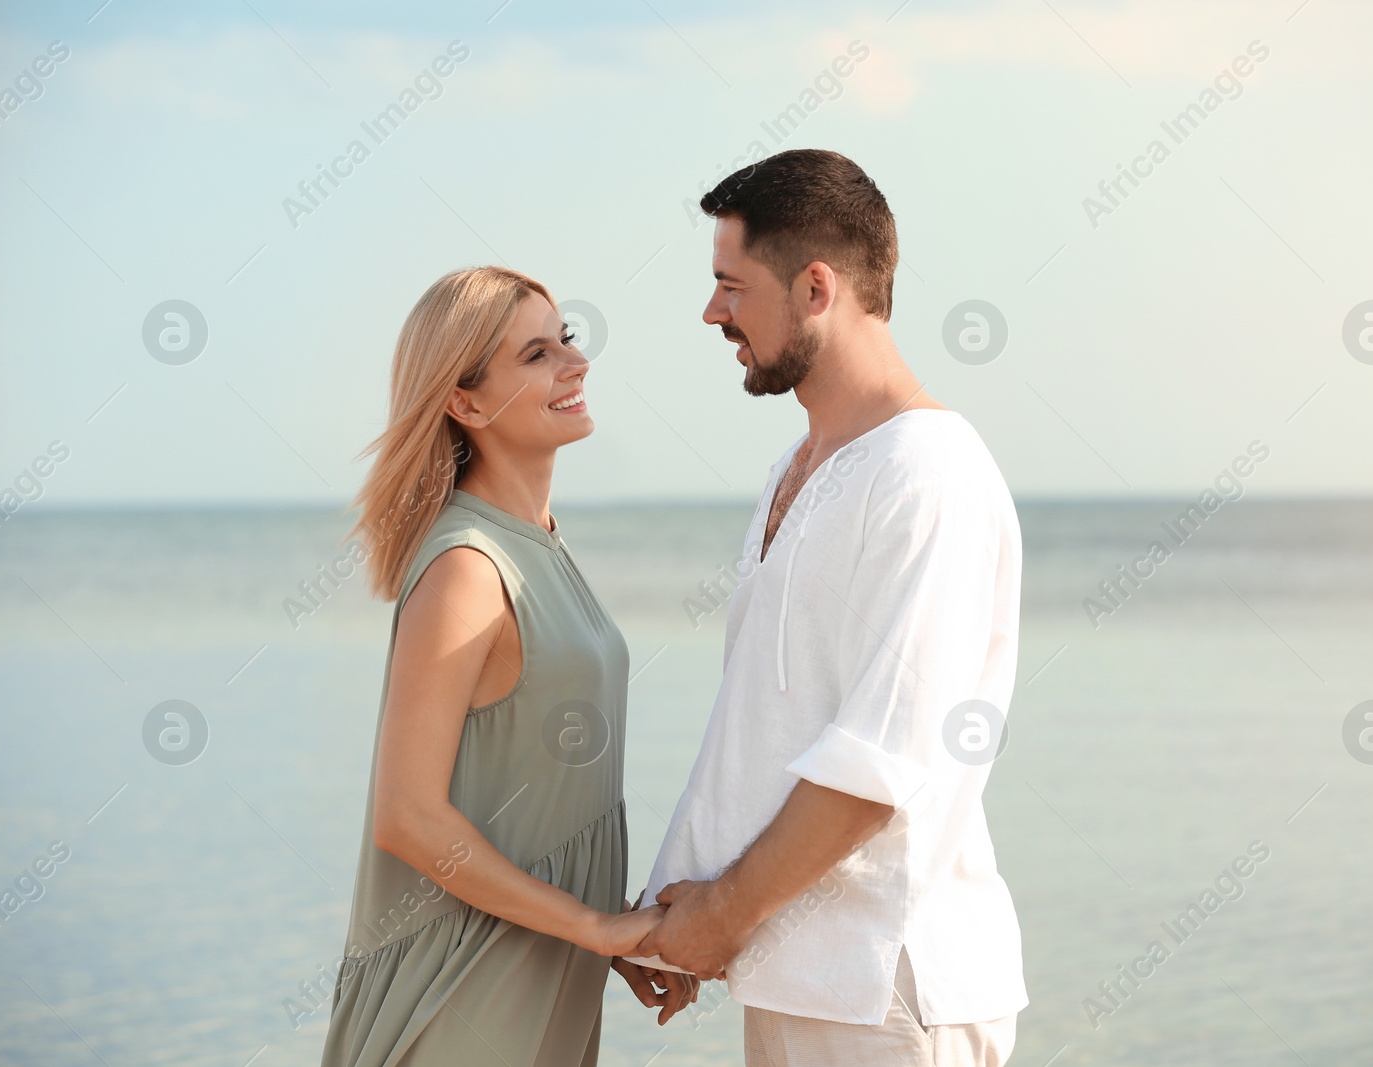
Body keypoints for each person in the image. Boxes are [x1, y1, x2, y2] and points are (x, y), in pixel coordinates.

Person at [631, 149, 1028, 1065]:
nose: (712, 312)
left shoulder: (926, 476)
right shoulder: (796, 467)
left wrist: (722, 916)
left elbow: (881, 760)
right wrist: (685, 907)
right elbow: (766, 726)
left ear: (816, 287)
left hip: (886, 987)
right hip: (790, 972)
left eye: (732, 285)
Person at [320, 266, 697, 1067]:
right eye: (535, 354)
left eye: (567, 340)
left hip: (537, 978)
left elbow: (533, 800)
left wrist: (607, 930)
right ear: (467, 401)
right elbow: (409, 817)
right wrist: (592, 926)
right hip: (461, 998)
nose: (574, 362)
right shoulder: (468, 565)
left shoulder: (539, 545)